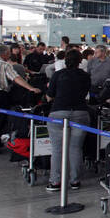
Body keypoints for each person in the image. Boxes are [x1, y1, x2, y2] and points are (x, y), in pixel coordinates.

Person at [44, 49, 91, 193]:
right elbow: (85, 93)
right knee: (75, 148)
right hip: (81, 112)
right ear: (80, 61)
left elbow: (49, 96)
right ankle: (75, 180)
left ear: (65, 60)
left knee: (57, 149)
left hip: (58, 112)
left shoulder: (58, 75)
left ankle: (55, 181)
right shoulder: (85, 76)